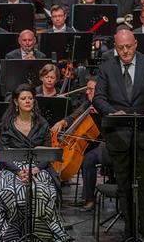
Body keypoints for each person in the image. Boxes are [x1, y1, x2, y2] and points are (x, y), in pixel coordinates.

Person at [93, 28, 144, 241]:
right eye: (120, 48)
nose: (125, 51)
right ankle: (130, 233)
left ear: (136, 44)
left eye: (129, 46)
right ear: (115, 47)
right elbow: (98, 98)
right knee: (125, 189)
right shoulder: (106, 67)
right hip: (119, 137)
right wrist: (111, 111)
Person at [0, 84, 71, 242]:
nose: (27, 101)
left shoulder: (42, 123)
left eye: (30, 98)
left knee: (41, 191)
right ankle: (13, 233)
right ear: (16, 102)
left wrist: (35, 169)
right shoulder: (7, 124)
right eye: (23, 98)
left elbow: (48, 153)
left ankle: (40, 233)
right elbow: (2, 153)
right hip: (12, 168)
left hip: (38, 167)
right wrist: (18, 171)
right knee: (12, 191)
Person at [50, 77, 106, 212]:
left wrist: (101, 115)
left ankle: (89, 199)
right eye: (87, 89)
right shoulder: (88, 104)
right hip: (87, 142)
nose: (87, 92)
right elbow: (74, 115)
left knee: (88, 159)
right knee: (84, 155)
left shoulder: (106, 105)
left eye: (91, 89)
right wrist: (63, 122)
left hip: (104, 143)